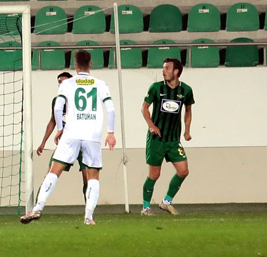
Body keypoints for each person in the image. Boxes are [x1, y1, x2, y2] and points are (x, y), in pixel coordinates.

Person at [21, 50, 117, 226]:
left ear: (75, 65)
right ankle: (89, 216)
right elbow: (110, 109)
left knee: (54, 171)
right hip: (92, 136)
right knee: (93, 176)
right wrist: (110, 132)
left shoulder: (67, 84)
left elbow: (58, 108)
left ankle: (38, 207)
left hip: (71, 133)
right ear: (91, 64)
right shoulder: (101, 84)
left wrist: (59, 128)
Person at [140, 58, 194, 216]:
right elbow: (144, 108)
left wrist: (187, 130)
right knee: (154, 174)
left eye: (167, 68)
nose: (163, 71)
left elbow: (188, 110)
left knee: (183, 171)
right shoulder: (156, 88)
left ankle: (166, 202)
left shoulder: (186, 90)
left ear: (176, 71)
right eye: (163, 68)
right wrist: (151, 125)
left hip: (173, 140)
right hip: (157, 140)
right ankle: (146, 207)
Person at [35, 72, 90, 198]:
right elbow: (52, 121)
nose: (62, 84)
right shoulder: (56, 101)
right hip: (65, 143)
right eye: (60, 82)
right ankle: (37, 207)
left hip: (82, 142)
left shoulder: (81, 100)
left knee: (87, 179)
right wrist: (43, 142)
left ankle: (89, 212)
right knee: (49, 175)